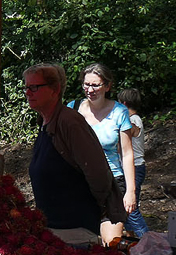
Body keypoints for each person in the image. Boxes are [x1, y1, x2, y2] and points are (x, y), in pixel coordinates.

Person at [23, 64, 126, 244]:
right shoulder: (45, 123)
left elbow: (98, 173)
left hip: (75, 232)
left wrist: (94, 207)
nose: (28, 93)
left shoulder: (70, 123)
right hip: (54, 229)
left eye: (34, 87)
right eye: (26, 87)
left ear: (55, 89)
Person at [68, 63, 138, 223]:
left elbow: (127, 154)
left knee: (111, 241)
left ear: (107, 86)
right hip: (80, 183)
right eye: (86, 84)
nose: (90, 90)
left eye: (95, 85)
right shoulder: (73, 109)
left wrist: (131, 191)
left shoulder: (119, 112)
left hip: (111, 182)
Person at [117, 87, 149, 238]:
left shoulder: (134, 120)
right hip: (131, 167)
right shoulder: (132, 119)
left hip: (135, 168)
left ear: (123, 104)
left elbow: (132, 130)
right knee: (127, 208)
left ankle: (147, 239)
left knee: (131, 207)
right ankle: (132, 239)